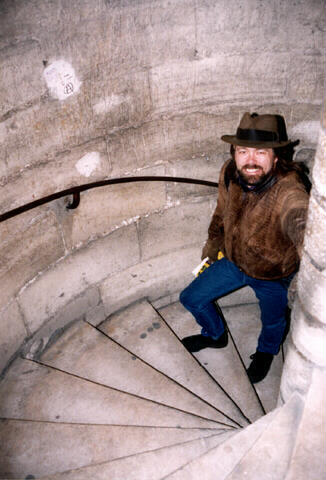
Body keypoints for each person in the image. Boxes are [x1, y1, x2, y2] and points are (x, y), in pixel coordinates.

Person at [179, 112, 310, 383]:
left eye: (261, 152)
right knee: (191, 298)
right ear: (234, 153)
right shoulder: (230, 171)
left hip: (272, 275)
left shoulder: (289, 189)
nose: (250, 160)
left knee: (273, 322)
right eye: (243, 151)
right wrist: (212, 247)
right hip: (232, 262)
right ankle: (215, 335)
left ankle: (266, 352)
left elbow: (300, 218)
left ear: (277, 157)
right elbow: (221, 213)